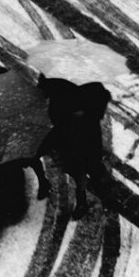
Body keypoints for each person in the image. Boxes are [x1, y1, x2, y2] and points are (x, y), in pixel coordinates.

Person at [37, 77, 112, 217]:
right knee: (80, 168)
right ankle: (88, 194)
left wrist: (83, 113)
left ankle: (87, 197)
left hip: (84, 136)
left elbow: (100, 103)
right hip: (70, 136)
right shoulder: (58, 88)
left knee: (84, 167)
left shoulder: (87, 88)